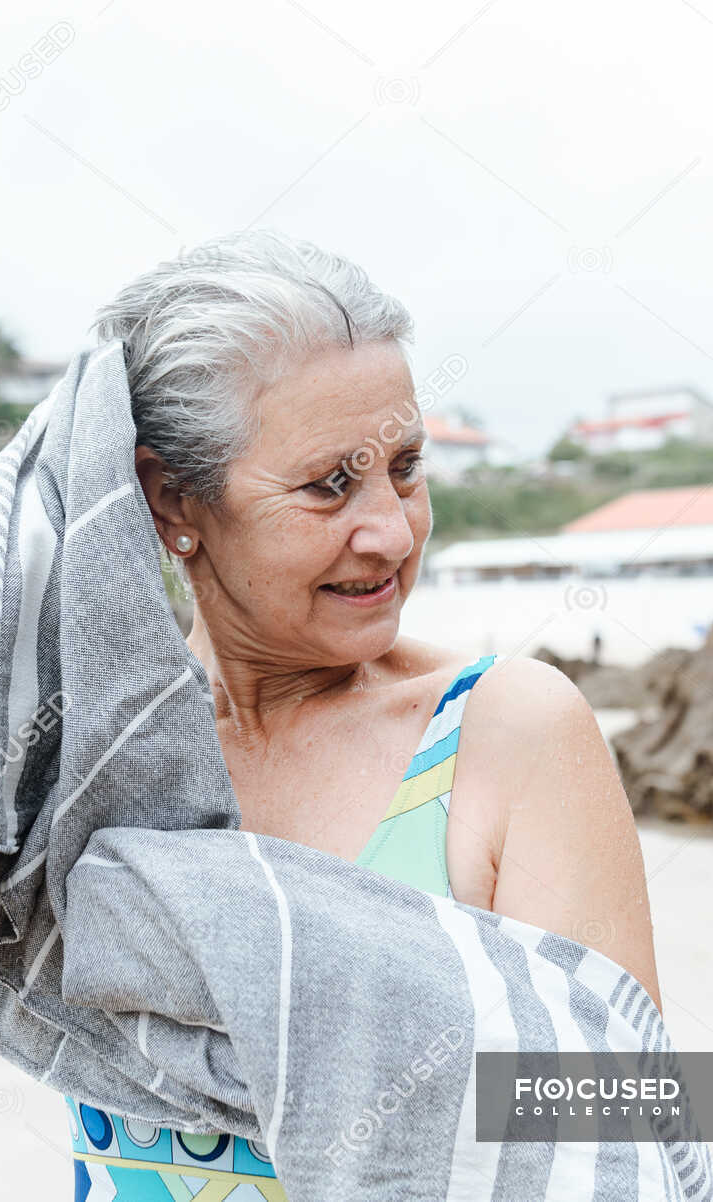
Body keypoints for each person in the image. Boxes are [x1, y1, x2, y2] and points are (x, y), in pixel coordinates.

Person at [62, 230, 663, 1199]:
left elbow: (602, 1145)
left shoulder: (505, 735)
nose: (390, 528)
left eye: (407, 467)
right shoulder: (94, 765)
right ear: (174, 497)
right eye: (329, 483)